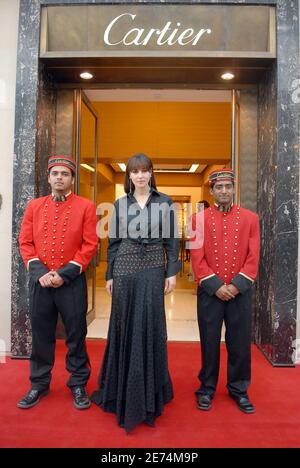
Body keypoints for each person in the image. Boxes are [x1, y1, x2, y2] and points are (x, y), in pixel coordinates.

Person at [91, 153, 181, 432]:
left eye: (145, 171)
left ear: (152, 173)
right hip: (125, 269)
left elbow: (172, 241)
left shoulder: (165, 202)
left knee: (150, 325)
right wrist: (109, 275)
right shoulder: (120, 204)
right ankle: (121, 389)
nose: (140, 176)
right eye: (135, 171)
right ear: (128, 176)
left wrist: (172, 272)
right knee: (123, 326)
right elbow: (114, 243)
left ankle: (150, 393)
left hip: (153, 267)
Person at [18, 155, 98, 410]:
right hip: (40, 282)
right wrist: (40, 272)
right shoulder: (34, 206)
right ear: (49, 177)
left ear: (72, 178)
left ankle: (77, 384)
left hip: (71, 283)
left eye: (65, 174)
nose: (60, 178)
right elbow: (25, 242)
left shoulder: (86, 206)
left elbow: (90, 244)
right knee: (41, 335)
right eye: (56, 174)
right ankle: (39, 384)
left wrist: (63, 274)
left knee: (76, 335)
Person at [190, 169, 260, 414]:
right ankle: (207, 389)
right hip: (210, 293)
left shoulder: (251, 218)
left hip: (239, 292)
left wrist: (235, 286)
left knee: (239, 343)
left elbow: (253, 258)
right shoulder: (197, 220)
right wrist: (216, 286)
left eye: (228, 187)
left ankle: (239, 389)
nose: (223, 191)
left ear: (234, 189)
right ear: (211, 191)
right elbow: (197, 258)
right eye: (218, 187)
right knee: (209, 343)